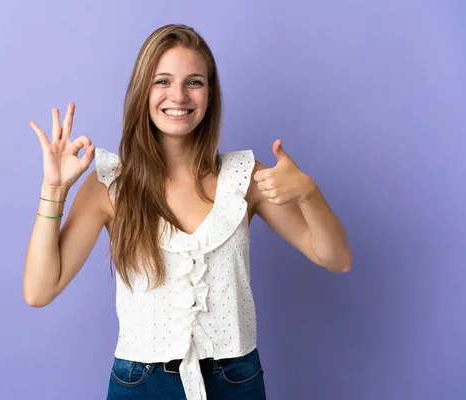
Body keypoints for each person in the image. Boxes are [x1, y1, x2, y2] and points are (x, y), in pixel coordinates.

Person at [23, 24, 352, 400]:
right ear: (142, 92)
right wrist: (53, 190)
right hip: (141, 384)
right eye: (162, 80)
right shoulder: (109, 185)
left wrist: (309, 193)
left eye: (194, 82)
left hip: (236, 381)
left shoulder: (246, 177)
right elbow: (39, 290)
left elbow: (337, 258)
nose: (178, 95)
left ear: (210, 94)